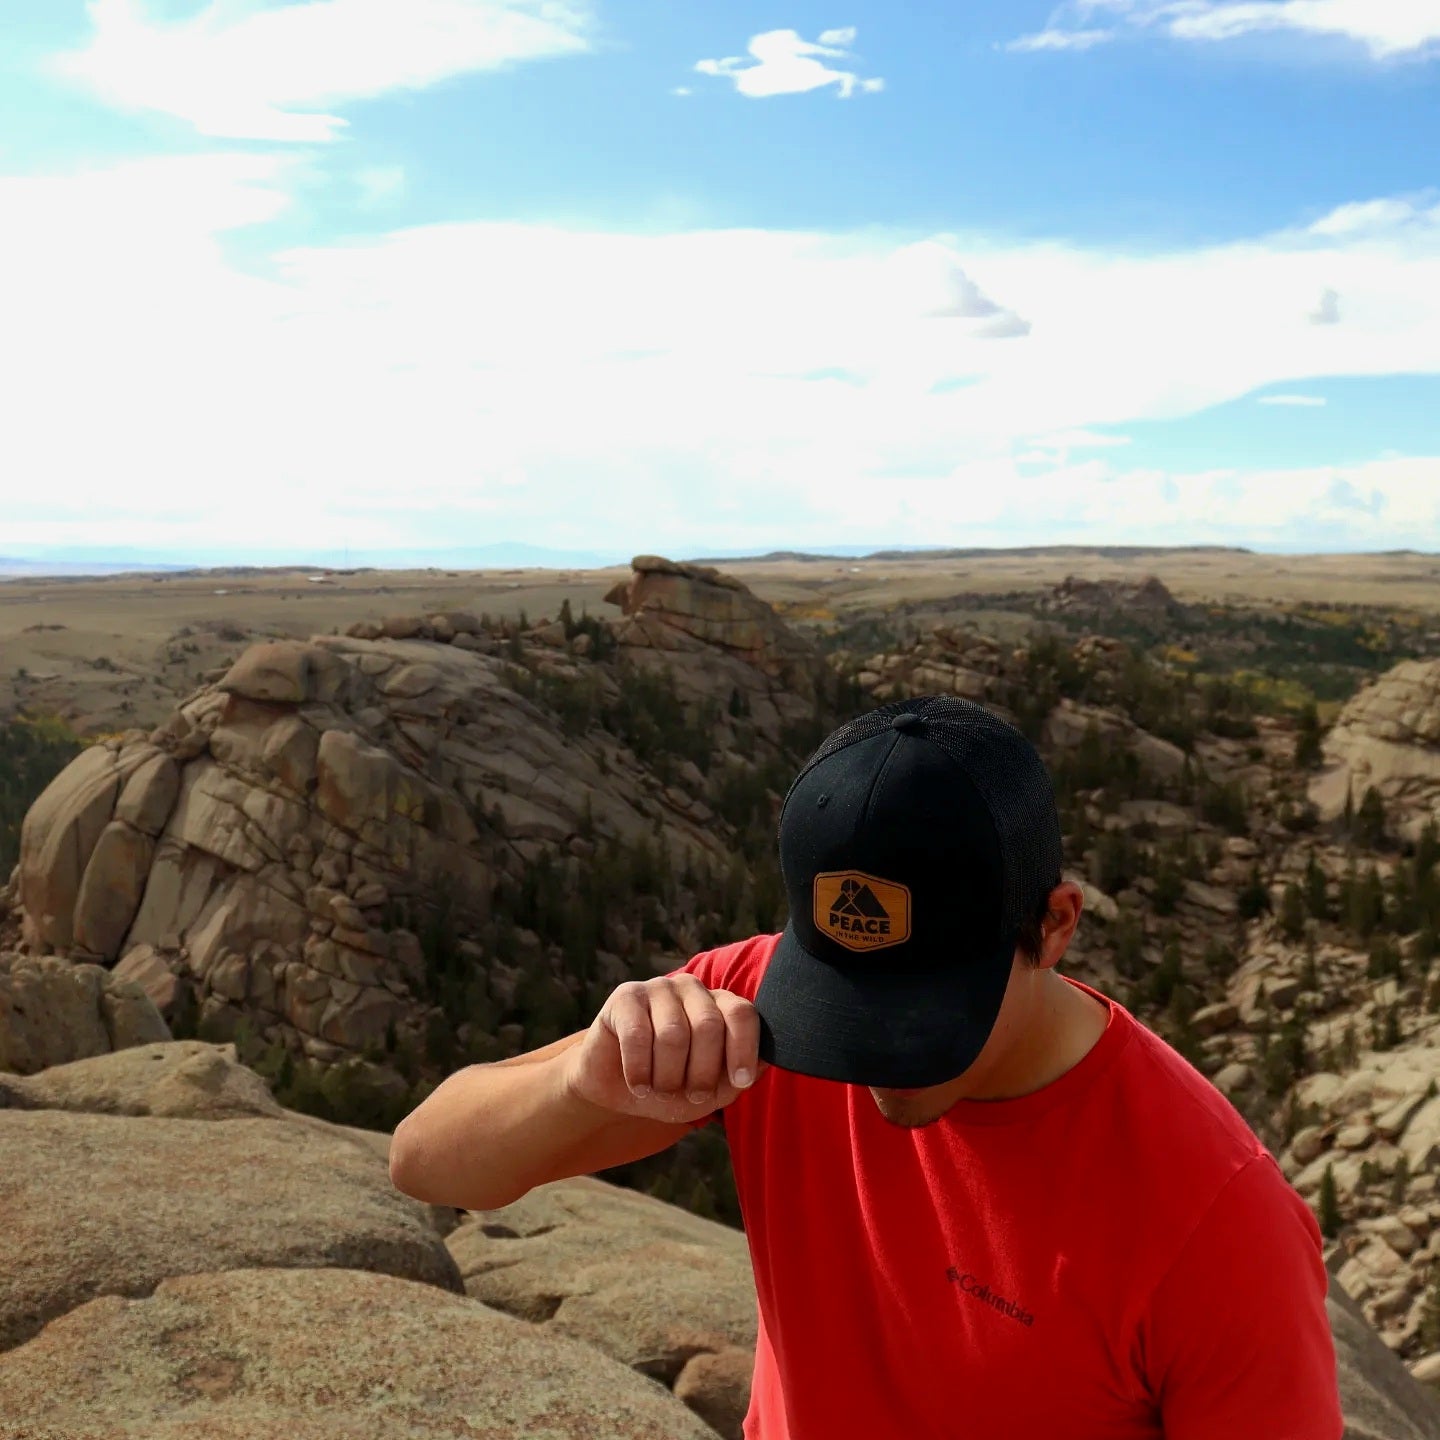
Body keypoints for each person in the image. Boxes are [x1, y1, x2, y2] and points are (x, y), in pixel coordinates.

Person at [390, 695, 1343, 1438]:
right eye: (843, 1000)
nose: (872, 1058)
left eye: (925, 1007)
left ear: (1055, 925)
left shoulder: (1214, 1224)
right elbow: (427, 1164)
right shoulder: (751, 1006)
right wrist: (581, 1084)